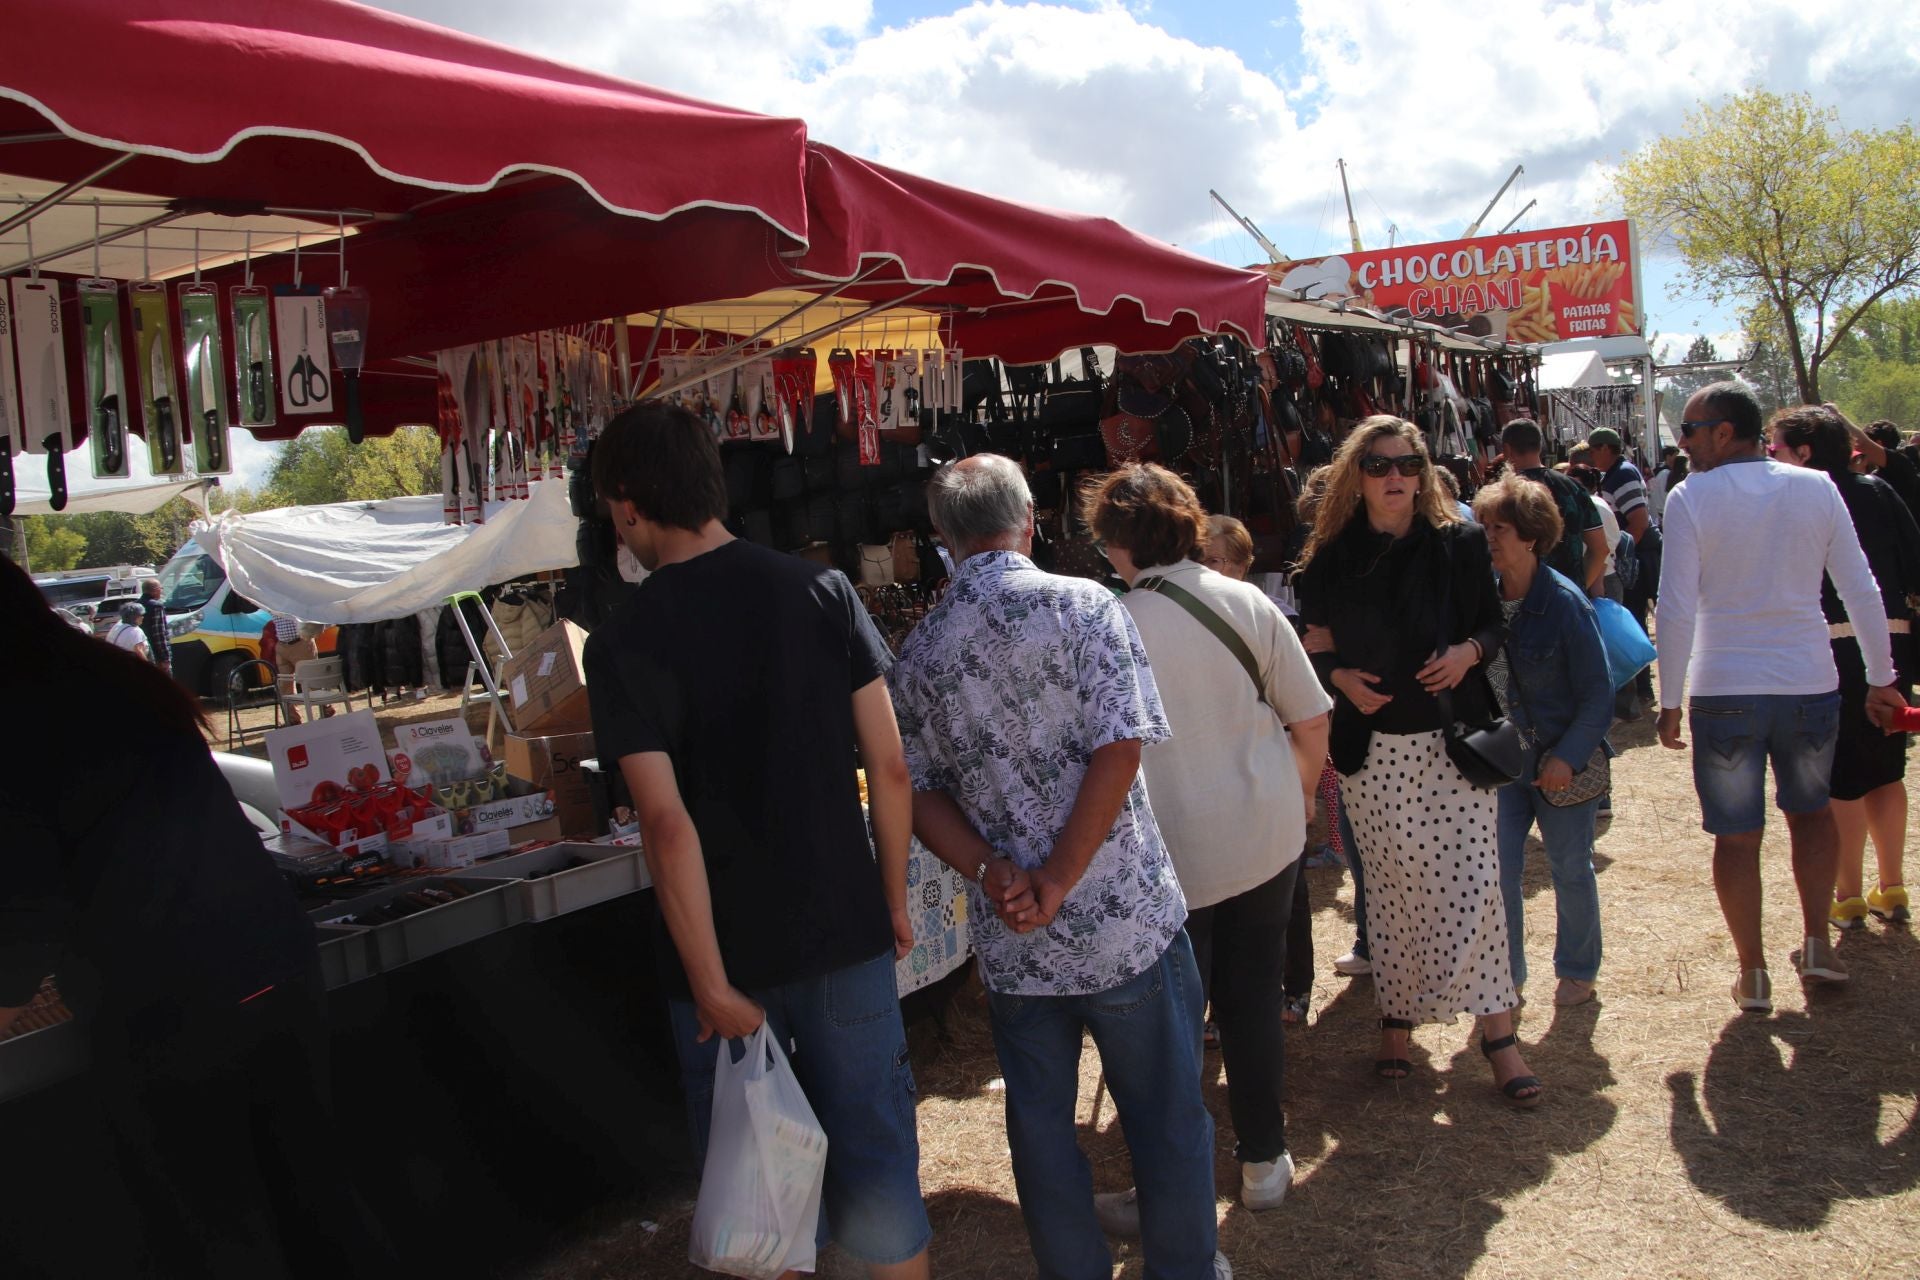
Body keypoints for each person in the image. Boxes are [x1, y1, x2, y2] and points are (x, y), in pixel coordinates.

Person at [582, 402, 931, 1280]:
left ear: (627, 505)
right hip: (842, 928)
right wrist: (890, 897)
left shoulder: (623, 637)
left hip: (722, 961)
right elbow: (889, 767)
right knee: (882, 1175)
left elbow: (666, 824)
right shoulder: (820, 589)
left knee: (763, 1205)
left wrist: (707, 982)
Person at [0, 556, 395, 1279]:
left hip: (173, 1005)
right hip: (271, 960)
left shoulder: (20, 720)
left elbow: (25, 917)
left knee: (220, 1231)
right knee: (317, 1201)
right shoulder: (108, 679)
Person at [889, 455, 1225, 1279]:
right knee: (1166, 1119)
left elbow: (914, 791)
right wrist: (1061, 876)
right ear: (1031, 519)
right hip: (1120, 922)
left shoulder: (925, 646)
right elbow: (1122, 745)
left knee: (1042, 1131)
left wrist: (994, 869)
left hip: (1017, 938)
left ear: (944, 540)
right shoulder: (1086, 606)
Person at [1081, 471, 1329, 1224]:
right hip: (1262, 834)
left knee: (1173, 1027)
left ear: (1116, 542)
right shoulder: (1245, 600)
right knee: (1252, 1002)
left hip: (1166, 858)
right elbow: (1311, 720)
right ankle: (1263, 1159)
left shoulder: (1107, 623)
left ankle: (1170, 1186)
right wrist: (1303, 799)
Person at [1293, 415, 1541, 1107]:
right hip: (1372, 752)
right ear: (1357, 474)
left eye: (1406, 463)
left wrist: (1467, 653)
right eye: (1378, 465)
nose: (1394, 476)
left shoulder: (1459, 543)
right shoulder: (1332, 554)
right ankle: (1396, 1024)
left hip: (1450, 743)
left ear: (1423, 470)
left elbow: (1491, 625)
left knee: (1476, 887)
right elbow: (1312, 638)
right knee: (1393, 890)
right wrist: (1339, 676)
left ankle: (1499, 1036)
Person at [1656, 381, 1906, 1013]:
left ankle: (1754, 972)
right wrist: (1881, 677)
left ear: (1723, 431)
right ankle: (1818, 944)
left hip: (1725, 689)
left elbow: (1678, 605)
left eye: (1690, 430)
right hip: (1808, 682)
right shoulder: (1816, 486)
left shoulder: (1692, 497)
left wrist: (1670, 698)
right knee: (1812, 815)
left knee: (1736, 837)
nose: (1682, 444)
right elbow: (1861, 589)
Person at [1768, 405, 1920, 930]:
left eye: (1776, 449)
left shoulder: (1799, 499)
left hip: (1829, 652)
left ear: (1804, 452)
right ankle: (1893, 887)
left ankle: (1849, 895)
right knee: (1886, 772)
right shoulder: (1879, 491)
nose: (1772, 459)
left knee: (1844, 779)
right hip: (1892, 650)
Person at [1473, 475, 1614, 1008]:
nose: (1488, 536)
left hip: (1561, 764)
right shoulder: (1482, 599)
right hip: (1503, 763)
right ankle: (1507, 976)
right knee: (1500, 871)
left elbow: (1597, 696)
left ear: (1530, 536)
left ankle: (1578, 969)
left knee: (1569, 867)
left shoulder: (1564, 603)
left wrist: (1568, 758)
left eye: (1500, 528)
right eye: (1484, 525)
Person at [1205, 514, 1326, 1017]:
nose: (1204, 569)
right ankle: (1218, 1005)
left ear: (1241, 565)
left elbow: (1305, 713)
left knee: (1285, 894)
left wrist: (1304, 788)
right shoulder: (1183, 615)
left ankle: (1294, 988)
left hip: (1269, 769)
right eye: (1198, 559)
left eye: (1213, 560)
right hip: (1214, 775)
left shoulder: (1273, 614)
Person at [1586, 428, 1659, 709]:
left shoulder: (1623, 474)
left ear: (1606, 449)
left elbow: (1638, 523)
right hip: (1628, 555)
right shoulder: (1615, 474)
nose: (1592, 456)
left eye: (1594, 450)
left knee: (1632, 622)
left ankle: (1641, 691)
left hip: (1636, 555)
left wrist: (1622, 560)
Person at [1500, 420, 1608, 596]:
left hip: (1523, 603)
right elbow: (1600, 548)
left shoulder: (1503, 493)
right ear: (1540, 446)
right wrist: (1576, 589)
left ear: (1507, 449)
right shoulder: (1573, 487)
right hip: (1568, 603)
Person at [139, 576, 172, 675]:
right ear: (154, 590)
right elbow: (159, 634)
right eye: (160, 588)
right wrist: (165, 658)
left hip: (145, 651)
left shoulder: (137, 605)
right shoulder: (156, 606)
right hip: (157, 656)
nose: (161, 591)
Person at [1647, 444, 1682, 526]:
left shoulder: (1657, 471)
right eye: (1675, 456)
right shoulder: (1665, 474)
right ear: (1668, 457)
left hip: (1656, 511)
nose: (1676, 459)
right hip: (1662, 512)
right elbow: (1665, 495)